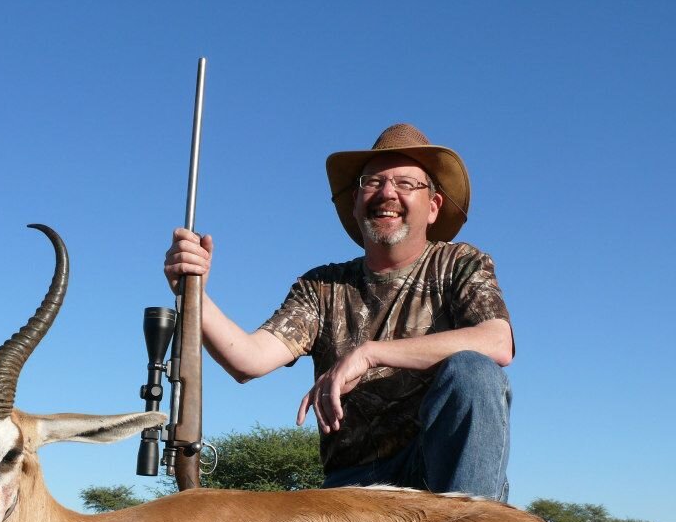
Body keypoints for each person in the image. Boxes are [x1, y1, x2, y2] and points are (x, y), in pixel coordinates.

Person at [164, 123, 514, 499]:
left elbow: (497, 341)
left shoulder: (459, 262)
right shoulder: (322, 285)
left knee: (473, 371)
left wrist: (368, 353)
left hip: (439, 474)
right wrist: (192, 290)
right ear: (355, 201)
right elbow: (247, 360)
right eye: (372, 181)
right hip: (355, 483)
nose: (387, 193)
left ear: (433, 206)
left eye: (405, 183)